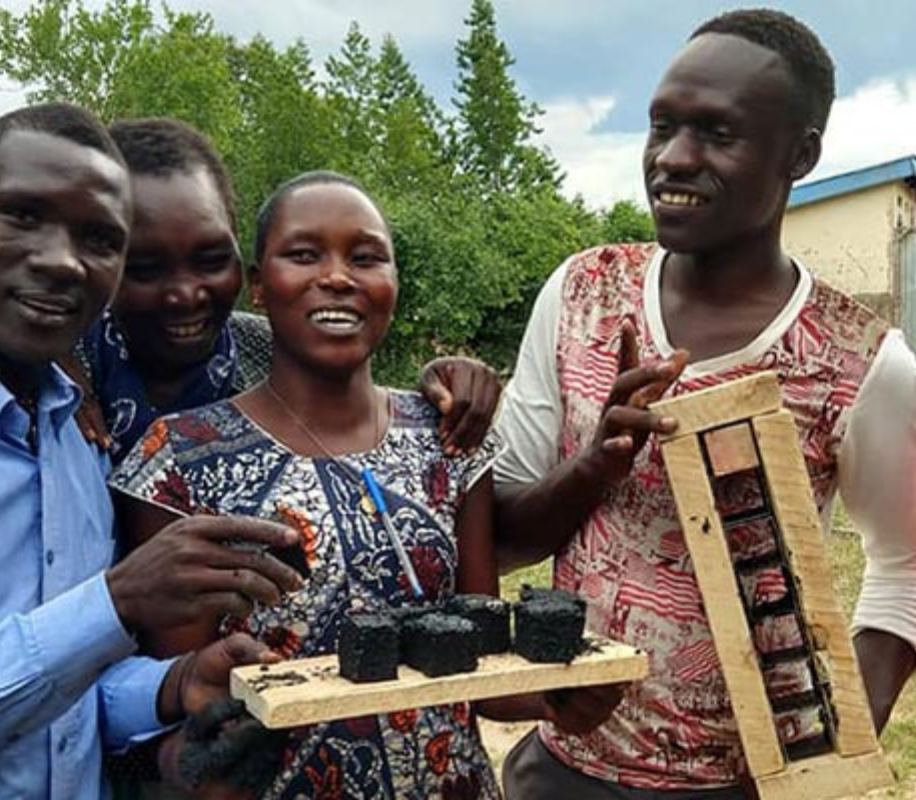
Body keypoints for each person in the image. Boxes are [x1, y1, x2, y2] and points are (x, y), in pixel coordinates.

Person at [494, 8, 916, 797]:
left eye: (718, 134)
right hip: (563, 773)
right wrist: (594, 468)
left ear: (799, 154)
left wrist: (836, 741)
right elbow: (502, 535)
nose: (673, 157)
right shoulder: (583, 296)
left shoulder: (858, 360)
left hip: (739, 786)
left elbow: (908, 563)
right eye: (662, 126)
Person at [110, 171, 621, 799]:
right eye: (304, 254)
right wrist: (188, 763)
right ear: (259, 286)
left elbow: (482, 671)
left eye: (366, 256)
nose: (338, 277)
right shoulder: (180, 459)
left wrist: (557, 696)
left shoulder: (450, 440)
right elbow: (177, 699)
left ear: (394, 283)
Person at [0, 101, 308, 799]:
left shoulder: (69, 448)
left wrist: (175, 686)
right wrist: (121, 599)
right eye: (19, 215)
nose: (61, 261)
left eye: (99, 239)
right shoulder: (89, 410)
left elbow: (67, 701)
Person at [69, 116, 499, 463]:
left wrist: (441, 387)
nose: (185, 294)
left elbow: (356, 396)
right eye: (145, 268)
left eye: (212, 260)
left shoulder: (270, 348)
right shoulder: (57, 380)